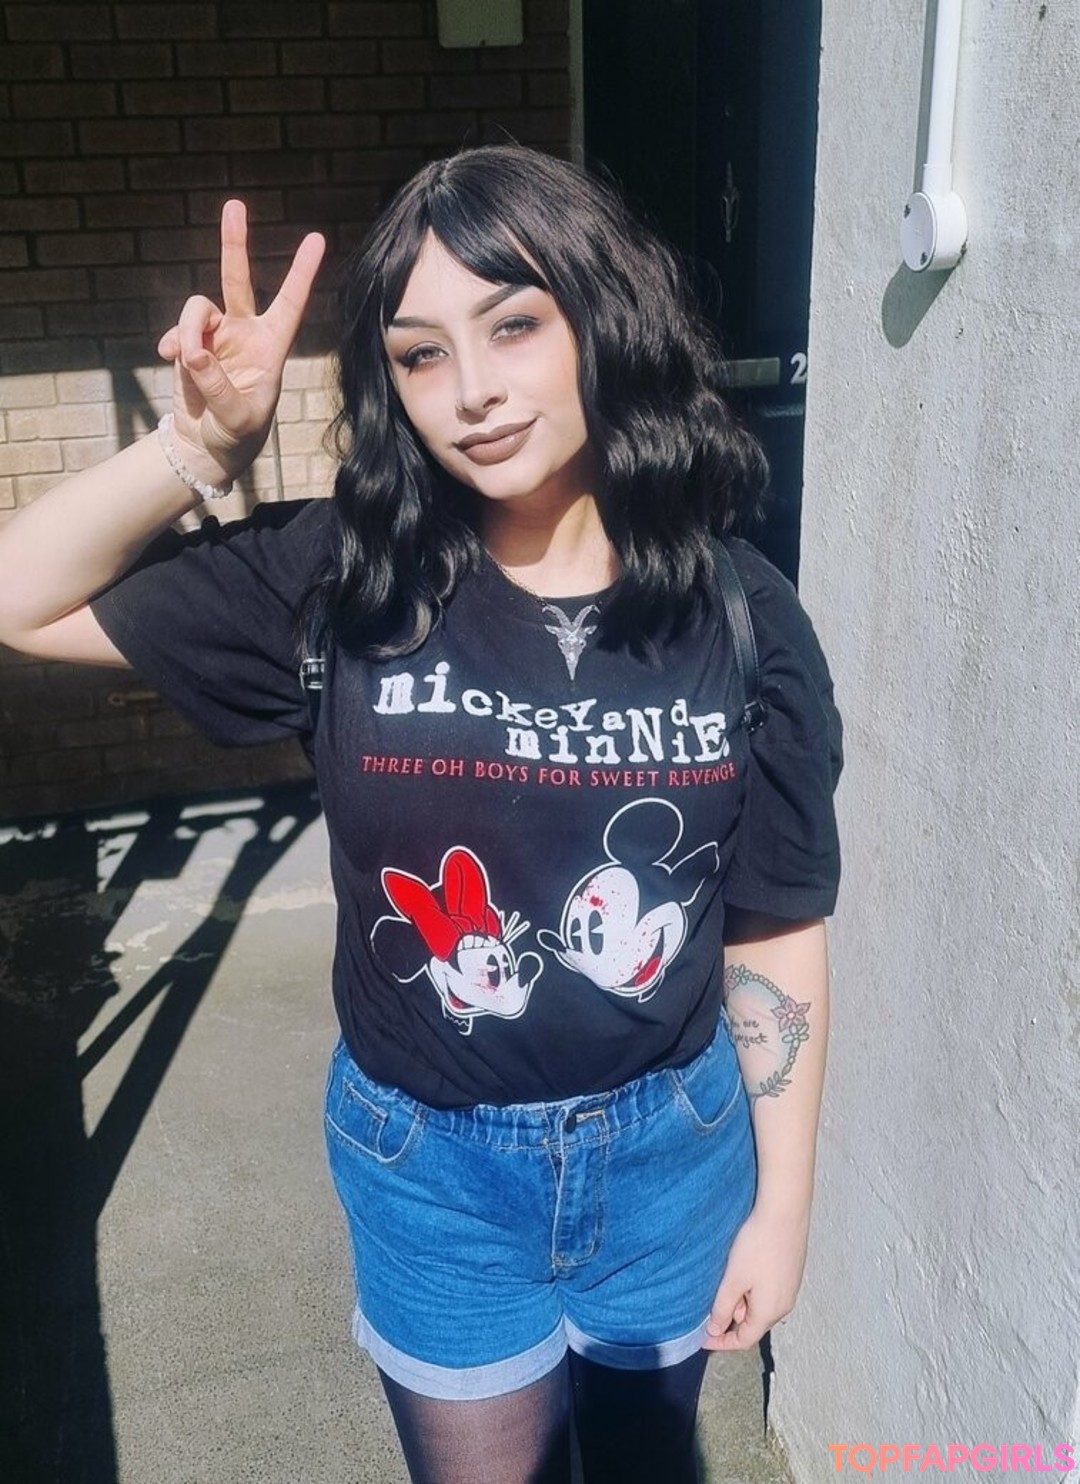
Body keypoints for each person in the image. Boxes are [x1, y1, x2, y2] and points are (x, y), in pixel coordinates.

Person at [0, 146, 841, 1484]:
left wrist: (783, 1207)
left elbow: (774, 920)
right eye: (420, 354)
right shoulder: (343, 580)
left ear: (604, 319)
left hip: (672, 1159)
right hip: (431, 1175)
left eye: (514, 324)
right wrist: (194, 449)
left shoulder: (740, 613)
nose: (472, 391)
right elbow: (19, 596)